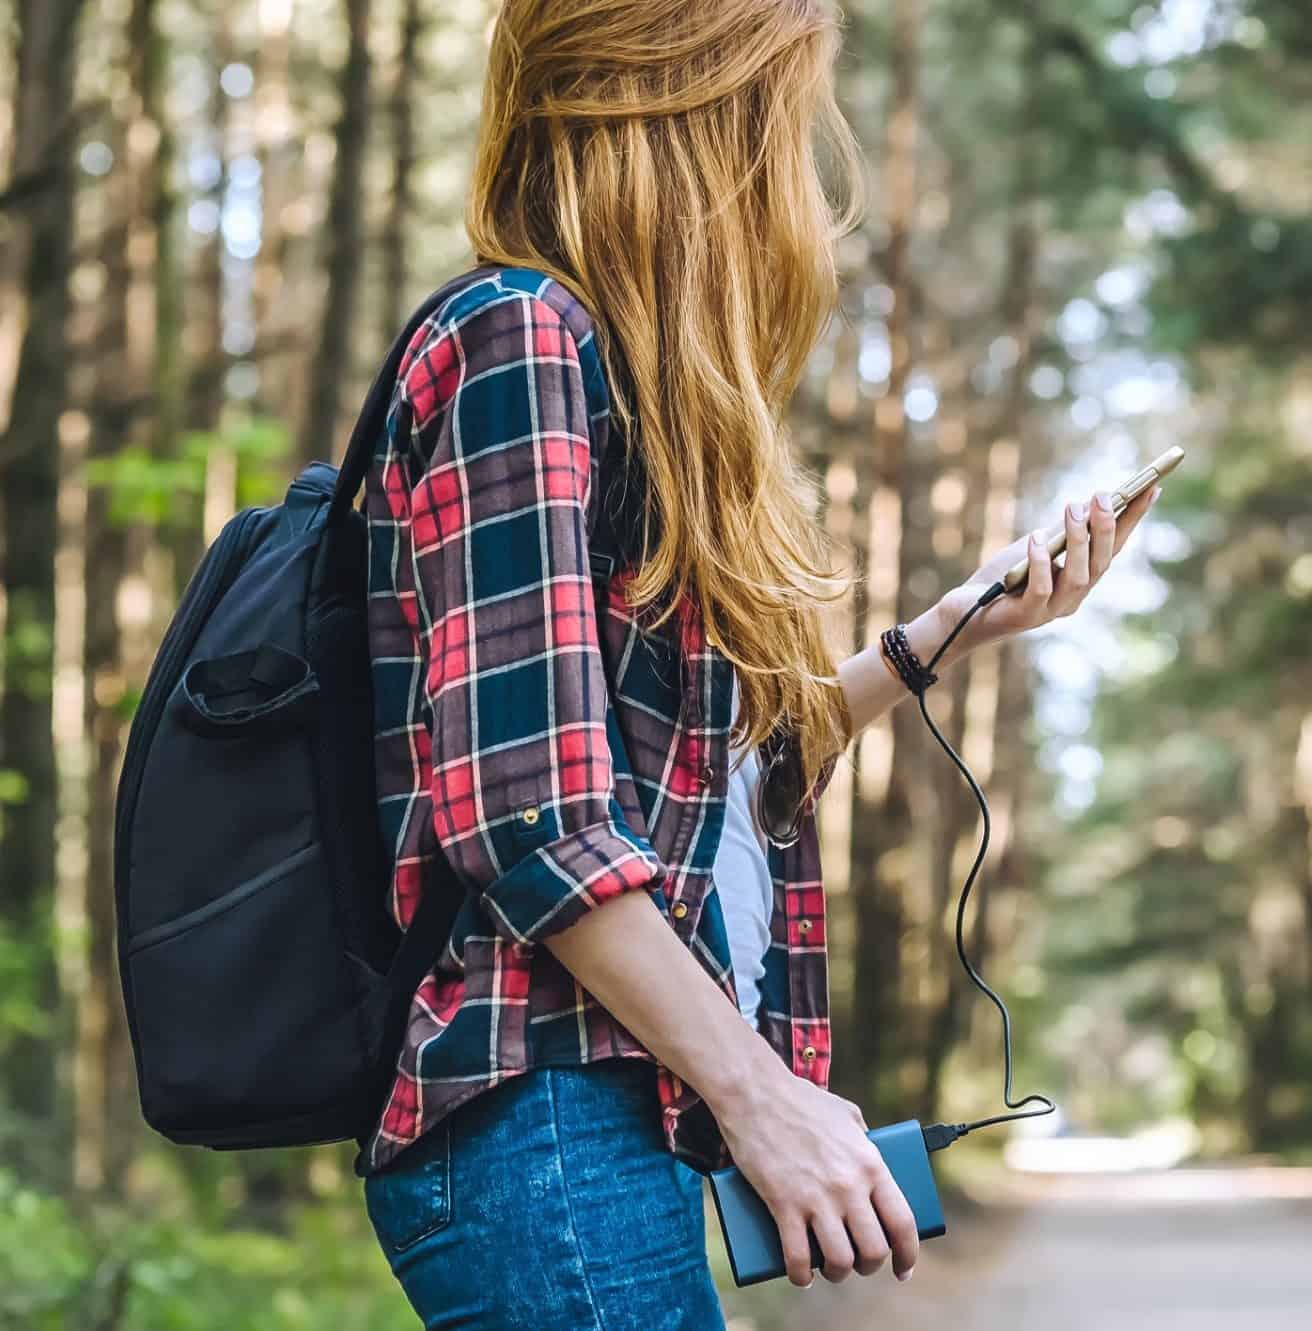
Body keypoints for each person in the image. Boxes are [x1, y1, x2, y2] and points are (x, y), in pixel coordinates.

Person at [354, 1, 1159, 1326]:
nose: (806, 160)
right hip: (542, 1113)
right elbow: (531, 819)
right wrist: (759, 1095)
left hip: (597, 1115)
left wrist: (945, 634)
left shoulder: (611, 378)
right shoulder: (517, 338)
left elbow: (712, 787)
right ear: (696, 106)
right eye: (786, 105)